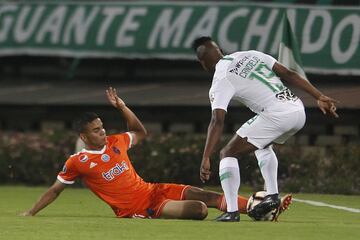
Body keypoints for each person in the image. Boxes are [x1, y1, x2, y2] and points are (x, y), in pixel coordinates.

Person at [20, 87, 291, 221]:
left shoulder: (117, 141)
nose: (102, 132)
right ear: (83, 136)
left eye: (102, 127)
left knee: (205, 194)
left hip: (152, 190)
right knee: (199, 211)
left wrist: (122, 107)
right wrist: (31, 212)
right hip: (139, 208)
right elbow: (55, 190)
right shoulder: (77, 162)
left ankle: (260, 207)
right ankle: (258, 207)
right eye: (95, 130)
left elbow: (140, 132)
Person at [192, 36, 339, 222]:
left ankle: (232, 211)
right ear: (219, 49)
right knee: (262, 146)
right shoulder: (249, 54)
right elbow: (289, 74)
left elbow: (217, 120)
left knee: (227, 153)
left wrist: (206, 156)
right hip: (297, 110)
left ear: (202, 62)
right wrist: (319, 96)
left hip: (277, 115)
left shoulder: (221, 78)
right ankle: (272, 196)